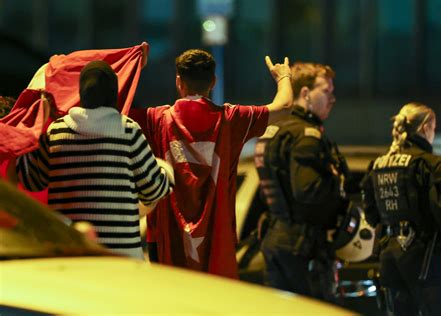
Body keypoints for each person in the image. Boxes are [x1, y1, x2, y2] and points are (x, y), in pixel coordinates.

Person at [129, 49, 292, 278]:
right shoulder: (232, 118)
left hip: (167, 238)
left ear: (179, 82)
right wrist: (284, 76)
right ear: (213, 82)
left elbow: (114, 108)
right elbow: (284, 108)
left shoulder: (156, 119)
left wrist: (132, 67)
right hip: (217, 239)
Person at [12, 60, 174, 260]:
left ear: (81, 93)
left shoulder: (56, 131)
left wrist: (28, 130)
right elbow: (154, 188)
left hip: (71, 253)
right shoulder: (128, 131)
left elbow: (32, 180)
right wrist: (167, 172)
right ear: (114, 93)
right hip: (121, 257)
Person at [254, 62, 349, 301]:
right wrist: (336, 185)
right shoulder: (306, 135)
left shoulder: (273, 129)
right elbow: (308, 190)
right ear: (305, 93)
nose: (332, 98)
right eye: (326, 91)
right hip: (302, 246)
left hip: (276, 238)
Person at [360, 102, 441, 315]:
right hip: (425, 259)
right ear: (425, 127)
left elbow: (371, 214)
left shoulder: (378, 165)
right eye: (434, 128)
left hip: (389, 260)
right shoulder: (434, 165)